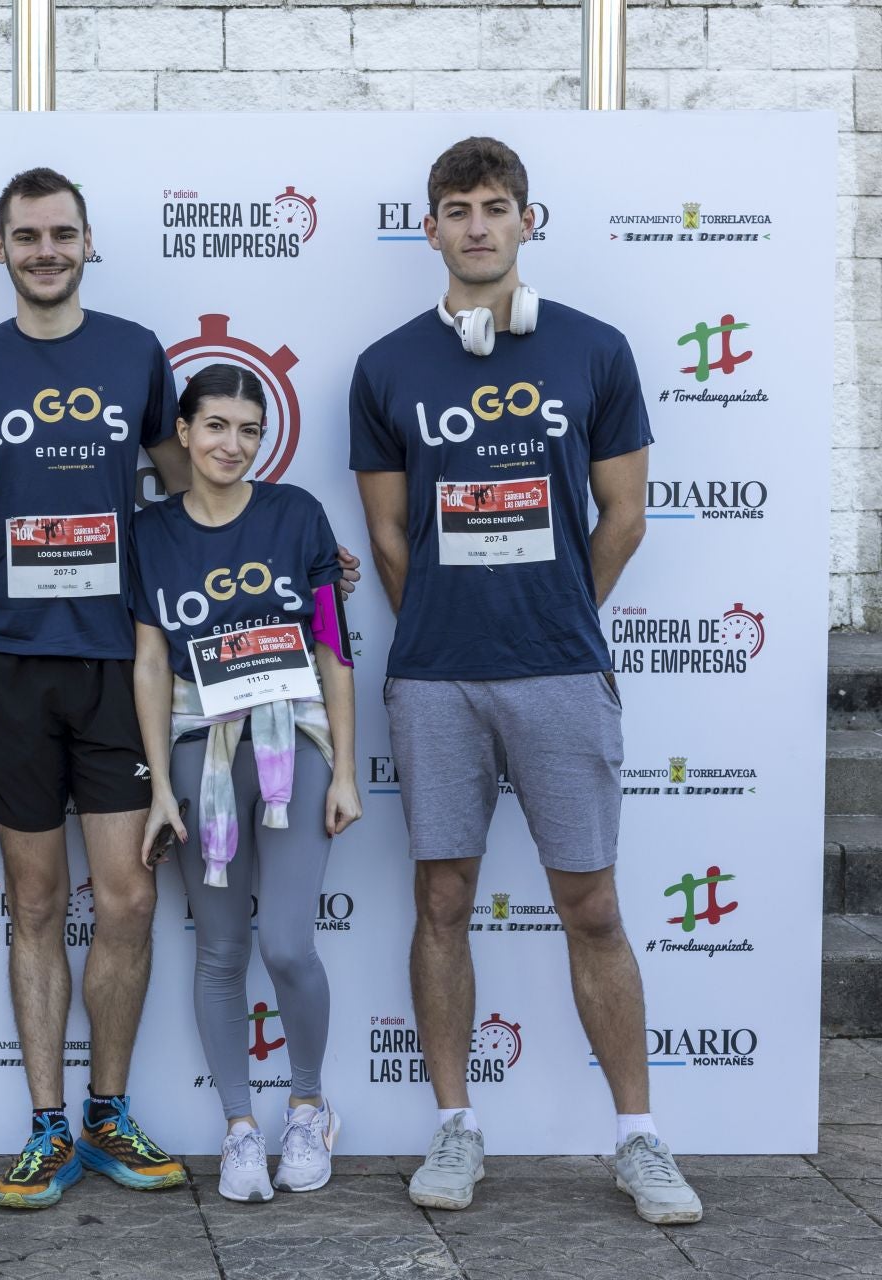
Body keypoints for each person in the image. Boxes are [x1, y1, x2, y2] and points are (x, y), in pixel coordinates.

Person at [349, 136, 701, 1224]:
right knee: (440, 899)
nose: (477, 226)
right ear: (431, 228)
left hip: (559, 669)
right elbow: (390, 536)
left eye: (496, 206)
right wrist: (457, 623)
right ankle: (456, 1126)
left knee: (590, 903)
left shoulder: (594, 351)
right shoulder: (387, 365)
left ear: (526, 221)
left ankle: (640, 1139)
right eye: (456, 208)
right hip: (436, 678)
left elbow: (625, 517)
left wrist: (550, 613)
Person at [0, 166, 195, 1209]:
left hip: (117, 665)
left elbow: (185, 487)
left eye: (61, 232)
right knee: (34, 899)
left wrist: (289, 553)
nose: (44, 249)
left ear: (89, 242)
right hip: (6, 664)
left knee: (125, 894)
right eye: (25, 235)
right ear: (0, 248)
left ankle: (109, 1111)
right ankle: (43, 1125)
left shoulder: (135, 352)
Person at [132, 365, 360, 1205]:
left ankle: (308, 1106)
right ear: (183, 435)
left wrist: (343, 765)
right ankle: (238, 1129)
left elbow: (332, 640)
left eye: (250, 430)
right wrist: (161, 787)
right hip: (201, 748)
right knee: (220, 948)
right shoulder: (150, 530)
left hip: (290, 741)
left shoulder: (295, 514)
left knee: (288, 943)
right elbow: (152, 662)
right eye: (217, 426)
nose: (234, 444)